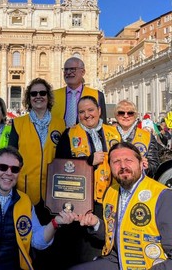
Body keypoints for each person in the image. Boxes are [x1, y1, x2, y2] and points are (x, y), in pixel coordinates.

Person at [0, 146, 77, 270]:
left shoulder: (25, 201)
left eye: (15, 169)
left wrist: (55, 223)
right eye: (3, 167)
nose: (8, 173)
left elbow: (37, 242)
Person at [70, 142, 172, 270]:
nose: (123, 166)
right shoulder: (111, 192)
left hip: (150, 265)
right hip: (116, 260)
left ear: (141, 164)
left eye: (128, 160)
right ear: (110, 167)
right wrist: (96, 224)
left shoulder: (163, 195)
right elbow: (115, 236)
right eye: (116, 162)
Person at [55, 95, 121, 266]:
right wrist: (88, 161)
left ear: (99, 111)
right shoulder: (69, 134)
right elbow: (60, 167)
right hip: (80, 202)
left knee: (103, 244)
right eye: (82, 112)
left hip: (109, 198)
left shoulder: (114, 132)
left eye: (90, 110)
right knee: (79, 251)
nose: (87, 115)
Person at [9, 78, 65, 221]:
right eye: (34, 94)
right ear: (29, 98)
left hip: (52, 191)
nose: (38, 96)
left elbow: (64, 157)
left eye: (42, 93)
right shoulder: (18, 123)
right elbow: (12, 157)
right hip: (25, 189)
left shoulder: (61, 124)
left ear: (48, 96)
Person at [51, 56, 107, 127]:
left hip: (86, 137)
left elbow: (103, 124)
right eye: (66, 69)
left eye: (72, 69)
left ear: (83, 72)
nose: (68, 72)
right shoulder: (53, 95)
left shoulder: (97, 95)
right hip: (58, 136)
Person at [114, 99, 160, 177]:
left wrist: (146, 166)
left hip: (138, 183)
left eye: (130, 113)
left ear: (135, 115)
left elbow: (155, 164)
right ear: (116, 115)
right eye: (121, 112)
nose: (126, 116)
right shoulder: (106, 133)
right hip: (112, 184)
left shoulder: (147, 136)